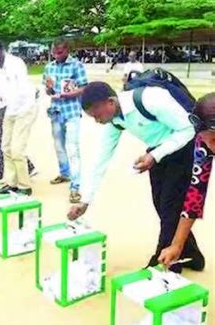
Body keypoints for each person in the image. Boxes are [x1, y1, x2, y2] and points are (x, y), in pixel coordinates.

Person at [67, 81, 202, 273]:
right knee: (162, 205)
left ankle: (163, 265)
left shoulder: (151, 99)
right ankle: (192, 255)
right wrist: (85, 200)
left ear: (111, 102)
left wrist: (154, 155)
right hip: (158, 151)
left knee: (169, 205)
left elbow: (189, 129)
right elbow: (100, 160)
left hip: (184, 147)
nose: (97, 121)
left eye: (97, 116)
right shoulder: (115, 120)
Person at [158, 93, 214, 270]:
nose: (212, 147)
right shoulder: (203, 143)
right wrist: (177, 245)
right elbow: (195, 195)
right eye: (208, 141)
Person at [0, 37, 37, 196]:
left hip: (25, 109)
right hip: (10, 109)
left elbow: (20, 91)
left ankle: (25, 186)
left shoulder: (16, 63)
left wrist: (0, 99)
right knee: (5, 147)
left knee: (17, 149)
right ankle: (11, 183)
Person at [43, 38, 88, 203]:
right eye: (54, 52)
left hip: (72, 112)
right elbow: (47, 88)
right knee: (59, 146)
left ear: (68, 50)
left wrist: (67, 94)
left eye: (60, 52)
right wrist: (49, 90)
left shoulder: (76, 66)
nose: (56, 55)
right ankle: (64, 173)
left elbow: (84, 87)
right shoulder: (49, 67)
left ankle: (75, 186)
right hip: (55, 111)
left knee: (72, 148)